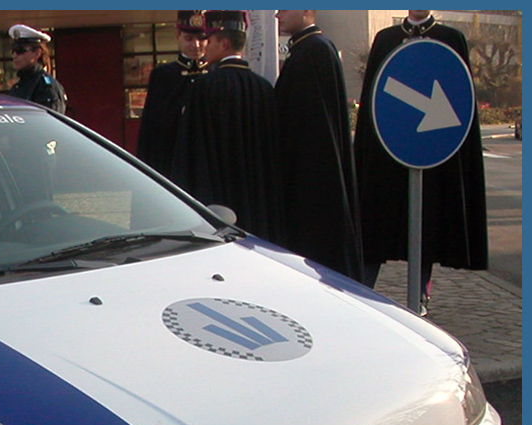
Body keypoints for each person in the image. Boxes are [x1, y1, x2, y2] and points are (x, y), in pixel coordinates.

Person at [353, 10, 487, 311]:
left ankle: (421, 294)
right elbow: (375, 98)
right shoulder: (386, 39)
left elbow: (458, 97)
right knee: (377, 221)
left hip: (431, 147)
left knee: (428, 222)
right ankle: (363, 290)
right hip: (389, 145)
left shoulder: (451, 39)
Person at [170, 10, 282, 242]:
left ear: (223, 43)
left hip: (219, 200)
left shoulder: (205, 87)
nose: (204, 46)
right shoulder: (263, 88)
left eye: (209, 40)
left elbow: (192, 153)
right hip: (258, 201)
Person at [274, 10, 363, 281]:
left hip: (313, 172)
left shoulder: (314, 51)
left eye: (285, 9)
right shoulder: (306, 49)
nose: (278, 15)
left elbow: (311, 123)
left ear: (306, 11)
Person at [136, 11, 208, 177]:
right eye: (189, 39)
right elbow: (150, 126)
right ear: (178, 36)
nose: (196, 45)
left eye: (201, 39)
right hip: (170, 160)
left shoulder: (215, 73)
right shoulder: (163, 75)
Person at [6, 24, 67, 114]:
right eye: (13, 51)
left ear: (37, 53)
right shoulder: (19, 86)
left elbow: (51, 123)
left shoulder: (46, 87)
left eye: (20, 50)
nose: (14, 55)